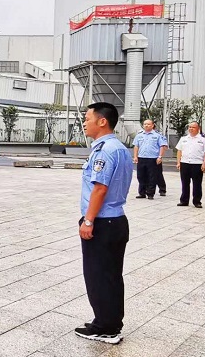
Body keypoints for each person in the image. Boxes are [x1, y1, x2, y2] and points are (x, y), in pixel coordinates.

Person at [74, 102, 132, 345]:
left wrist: (88, 221)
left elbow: (100, 188)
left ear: (102, 121)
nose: (84, 122)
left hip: (102, 222)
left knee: (98, 275)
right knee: (110, 275)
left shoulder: (105, 150)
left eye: (87, 118)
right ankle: (109, 321)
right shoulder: (118, 148)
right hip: (115, 220)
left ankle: (106, 328)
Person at [175, 122, 205, 209]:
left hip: (197, 164)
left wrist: (204, 163)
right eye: (190, 127)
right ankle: (184, 200)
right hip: (185, 163)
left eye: (193, 127)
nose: (191, 129)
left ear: (198, 128)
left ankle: (197, 201)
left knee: (197, 184)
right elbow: (179, 151)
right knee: (184, 183)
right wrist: (178, 162)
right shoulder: (184, 139)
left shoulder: (203, 140)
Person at [132, 120, 168, 200]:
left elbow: (161, 146)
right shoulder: (139, 135)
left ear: (152, 125)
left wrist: (160, 157)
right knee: (140, 176)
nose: (146, 125)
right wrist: (135, 156)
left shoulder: (157, 135)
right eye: (145, 124)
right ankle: (142, 193)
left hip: (153, 159)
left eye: (148, 124)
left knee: (152, 177)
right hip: (141, 158)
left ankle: (150, 193)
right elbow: (136, 146)